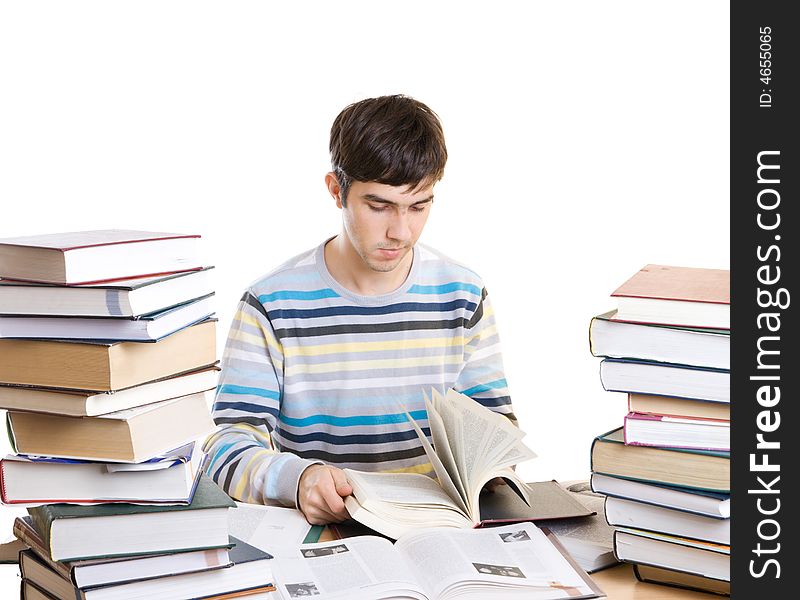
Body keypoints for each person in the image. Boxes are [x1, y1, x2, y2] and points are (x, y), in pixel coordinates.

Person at [204, 94, 515, 524]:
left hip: (443, 533)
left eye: (418, 206)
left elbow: (494, 425)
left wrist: (497, 467)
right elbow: (224, 449)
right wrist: (299, 480)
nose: (400, 231)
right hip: (327, 534)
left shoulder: (462, 294)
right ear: (336, 190)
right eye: (378, 206)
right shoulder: (272, 304)